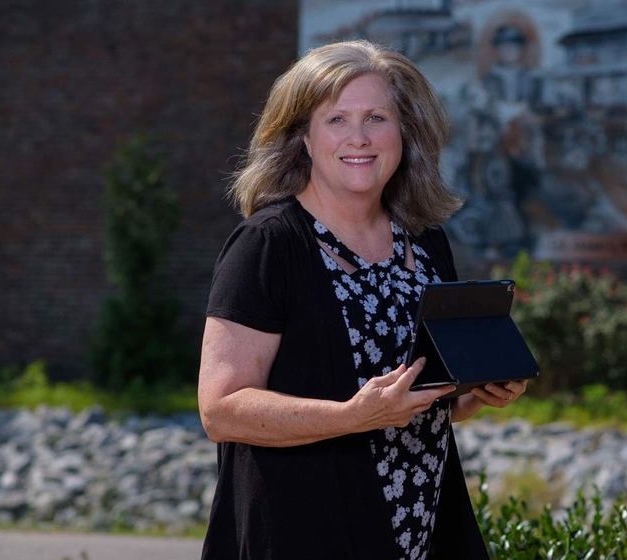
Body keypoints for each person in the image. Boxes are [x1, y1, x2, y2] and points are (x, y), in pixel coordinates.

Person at [197, 40, 527, 560]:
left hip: (421, 528)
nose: (359, 138)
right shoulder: (269, 245)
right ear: (303, 136)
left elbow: (423, 400)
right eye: (336, 120)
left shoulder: (425, 241)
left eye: (376, 117)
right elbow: (221, 410)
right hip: (302, 530)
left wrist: (477, 391)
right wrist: (353, 415)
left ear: (405, 132)